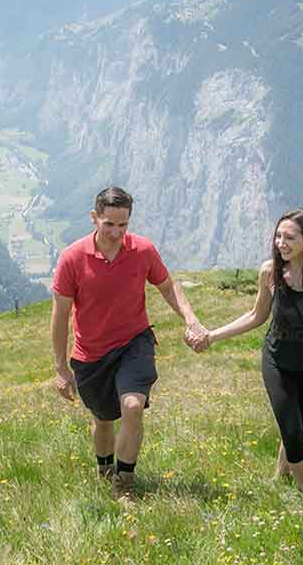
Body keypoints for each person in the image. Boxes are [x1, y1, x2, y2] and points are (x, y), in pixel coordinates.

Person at [50, 186, 207, 499]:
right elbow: (60, 315)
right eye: (109, 224)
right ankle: (105, 470)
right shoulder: (72, 258)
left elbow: (167, 286)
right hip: (91, 353)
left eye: (123, 225)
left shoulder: (143, 250)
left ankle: (124, 486)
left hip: (134, 342)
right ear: (94, 218)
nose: (116, 232)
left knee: (133, 407)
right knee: (104, 420)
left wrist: (191, 319)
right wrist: (60, 368)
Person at [196, 208, 303, 503]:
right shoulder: (271, 272)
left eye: (290, 237)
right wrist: (213, 335)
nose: (281, 243)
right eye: (278, 236)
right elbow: (256, 316)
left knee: (296, 426)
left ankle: (280, 478)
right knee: (291, 429)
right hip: (277, 361)